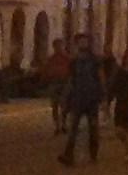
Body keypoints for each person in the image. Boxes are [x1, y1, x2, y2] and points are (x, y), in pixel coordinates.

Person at [59, 36, 102, 165]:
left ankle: (93, 155)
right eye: (81, 42)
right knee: (73, 128)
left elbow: (101, 77)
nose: (83, 44)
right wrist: (65, 96)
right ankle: (68, 154)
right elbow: (71, 79)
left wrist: (103, 95)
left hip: (92, 98)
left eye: (85, 41)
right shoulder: (74, 61)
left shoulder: (95, 60)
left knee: (93, 128)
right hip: (77, 98)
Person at [42, 39, 72, 133]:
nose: (58, 48)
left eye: (60, 45)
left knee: (64, 105)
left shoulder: (67, 59)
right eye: (56, 46)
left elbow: (72, 71)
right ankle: (57, 126)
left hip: (65, 83)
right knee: (54, 105)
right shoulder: (51, 59)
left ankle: (64, 124)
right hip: (54, 82)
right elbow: (45, 70)